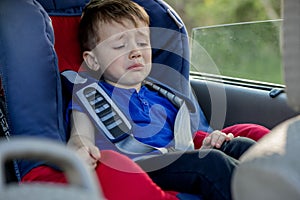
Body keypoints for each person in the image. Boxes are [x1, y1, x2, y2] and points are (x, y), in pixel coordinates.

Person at [65, 0, 268, 199]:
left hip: (176, 161)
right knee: (212, 163)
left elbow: (183, 143)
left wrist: (206, 144)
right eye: (120, 46)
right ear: (92, 60)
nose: (135, 52)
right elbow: (79, 137)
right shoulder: (91, 96)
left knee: (239, 145)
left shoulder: (161, 95)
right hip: (141, 167)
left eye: (143, 43)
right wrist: (80, 149)